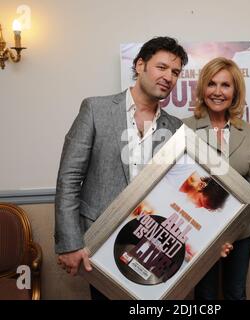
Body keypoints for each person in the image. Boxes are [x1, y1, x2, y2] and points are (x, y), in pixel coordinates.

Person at [54, 36, 188, 299]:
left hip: (153, 245)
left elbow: (179, 192)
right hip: (99, 241)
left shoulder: (175, 128)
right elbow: (69, 179)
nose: (169, 77)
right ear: (140, 65)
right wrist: (70, 243)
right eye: (161, 67)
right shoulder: (95, 109)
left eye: (175, 72)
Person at [183, 57, 250, 300]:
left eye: (225, 85)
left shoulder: (249, 131)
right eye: (211, 84)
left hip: (241, 232)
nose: (217, 92)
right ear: (202, 89)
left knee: (236, 293)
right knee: (205, 295)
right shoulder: (185, 128)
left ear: (235, 91)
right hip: (201, 232)